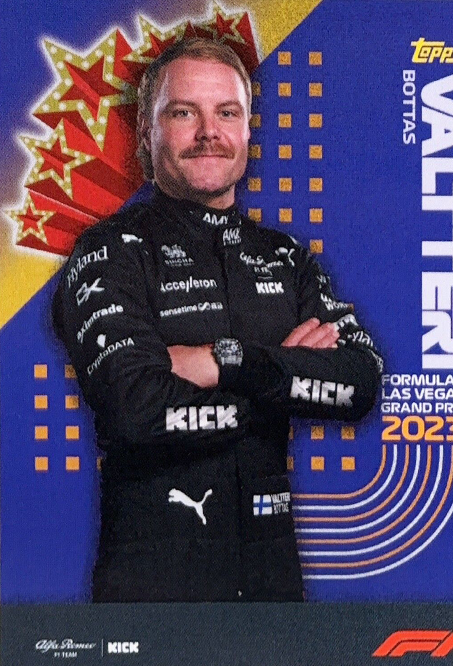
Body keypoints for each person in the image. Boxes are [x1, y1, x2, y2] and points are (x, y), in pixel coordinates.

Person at [52, 38, 383, 602]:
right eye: (184, 113)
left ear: (248, 130)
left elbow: (360, 383)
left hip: (273, 586)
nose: (209, 131)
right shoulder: (107, 253)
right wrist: (281, 379)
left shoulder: (287, 257)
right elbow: (135, 409)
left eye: (227, 113)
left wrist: (227, 362)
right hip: (151, 590)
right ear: (147, 134)